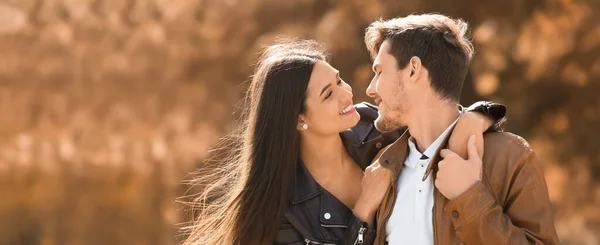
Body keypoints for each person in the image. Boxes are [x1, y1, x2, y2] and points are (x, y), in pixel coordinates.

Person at [182, 39, 506, 245]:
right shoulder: (283, 216)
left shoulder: (377, 124)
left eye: (338, 80)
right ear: (298, 119)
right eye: (328, 94)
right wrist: (363, 210)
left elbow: (442, 116)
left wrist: (476, 117)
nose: (347, 93)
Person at [363, 14, 559, 245]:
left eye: (379, 72)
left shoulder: (510, 156)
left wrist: (468, 197)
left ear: (413, 70)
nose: (370, 89)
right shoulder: (381, 168)